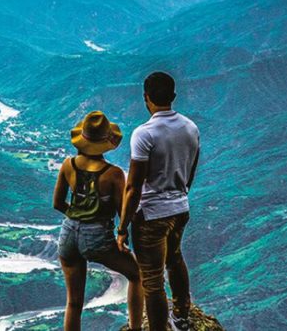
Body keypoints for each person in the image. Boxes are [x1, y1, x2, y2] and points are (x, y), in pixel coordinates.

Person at [116, 72, 201, 331]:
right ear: (173, 97)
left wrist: (122, 227)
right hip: (180, 208)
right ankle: (182, 317)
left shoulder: (144, 134)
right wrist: (179, 196)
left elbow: (134, 186)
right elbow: (190, 172)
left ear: (146, 98)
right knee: (175, 260)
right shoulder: (190, 127)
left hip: (152, 215)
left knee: (152, 280)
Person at [52, 110, 145, 331]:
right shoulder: (112, 174)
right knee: (136, 274)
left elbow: (57, 203)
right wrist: (122, 232)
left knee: (74, 302)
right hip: (97, 236)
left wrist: (77, 216)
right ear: (106, 143)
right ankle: (135, 328)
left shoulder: (68, 165)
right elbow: (124, 211)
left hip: (68, 233)